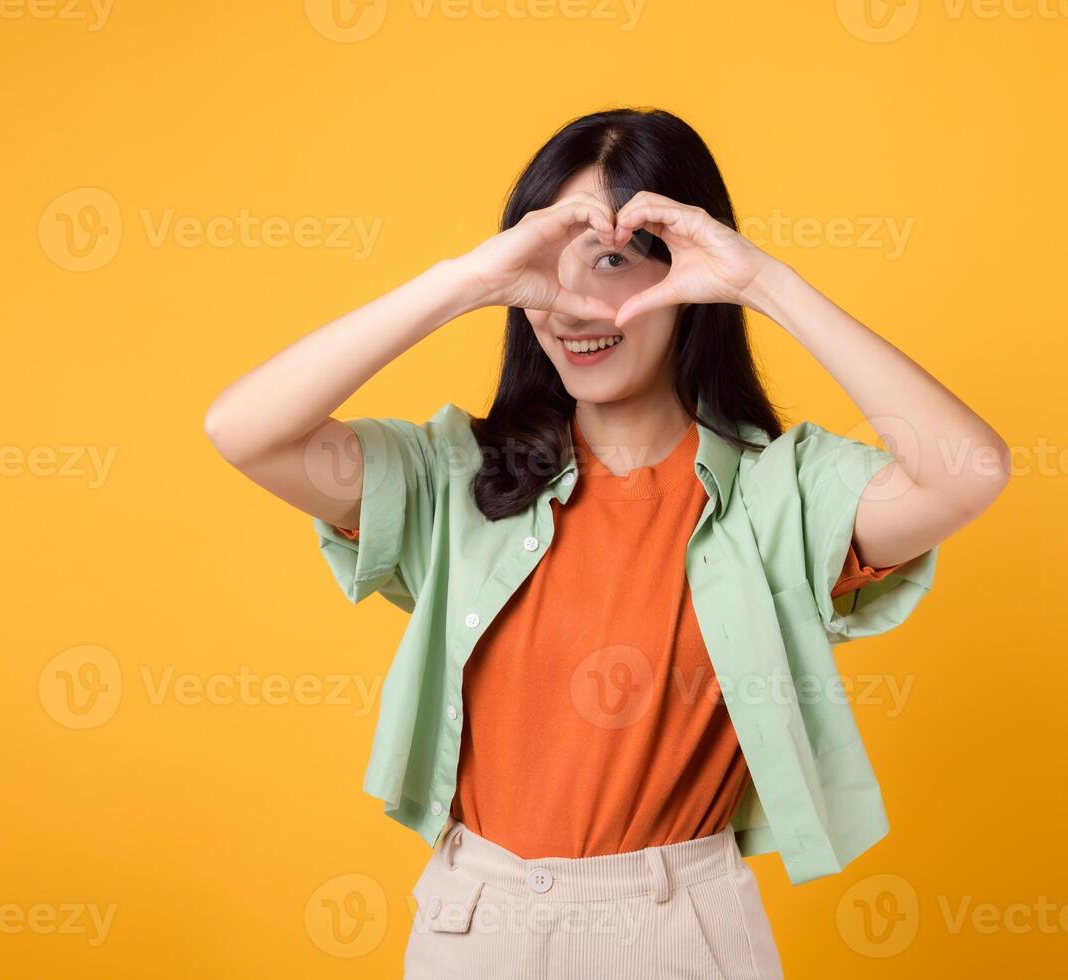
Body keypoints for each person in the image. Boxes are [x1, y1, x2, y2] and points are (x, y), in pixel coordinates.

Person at [204, 107, 1008, 979]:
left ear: (688, 276)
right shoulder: (455, 478)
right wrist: (466, 281)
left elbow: (967, 472)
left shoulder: (782, 496)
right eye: (543, 267)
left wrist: (761, 283)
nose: (574, 306)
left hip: (680, 931)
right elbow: (245, 430)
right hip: (476, 926)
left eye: (614, 261)